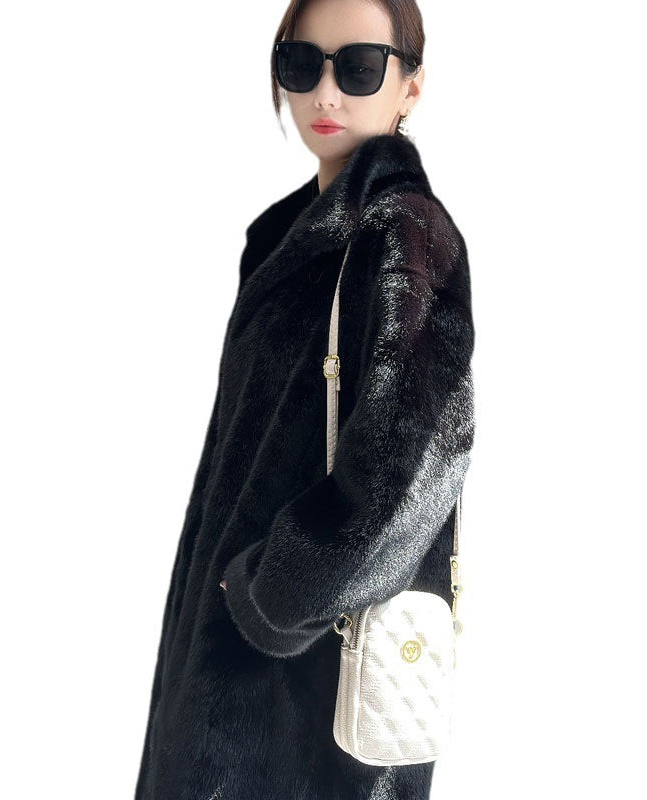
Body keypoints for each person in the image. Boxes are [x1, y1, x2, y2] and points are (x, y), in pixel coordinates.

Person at [134, 1, 475, 798]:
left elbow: (417, 464)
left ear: (411, 86)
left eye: (358, 67)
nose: (325, 93)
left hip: (309, 687)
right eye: (301, 64)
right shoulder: (292, 237)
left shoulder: (404, 236)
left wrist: (273, 593)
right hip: (234, 668)